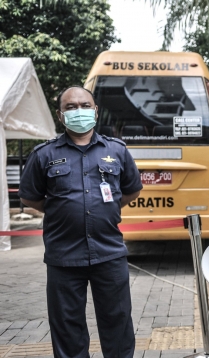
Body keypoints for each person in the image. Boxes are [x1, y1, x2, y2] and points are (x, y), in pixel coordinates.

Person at [18, 86, 142, 358]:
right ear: (61, 115)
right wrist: (61, 209)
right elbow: (31, 198)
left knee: (118, 326)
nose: (79, 111)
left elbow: (131, 190)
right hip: (64, 256)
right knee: (67, 330)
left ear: (95, 111)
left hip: (109, 253)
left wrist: (105, 208)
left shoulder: (117, 151)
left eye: (85, 105)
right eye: (71, 107)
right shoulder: (44, 155)